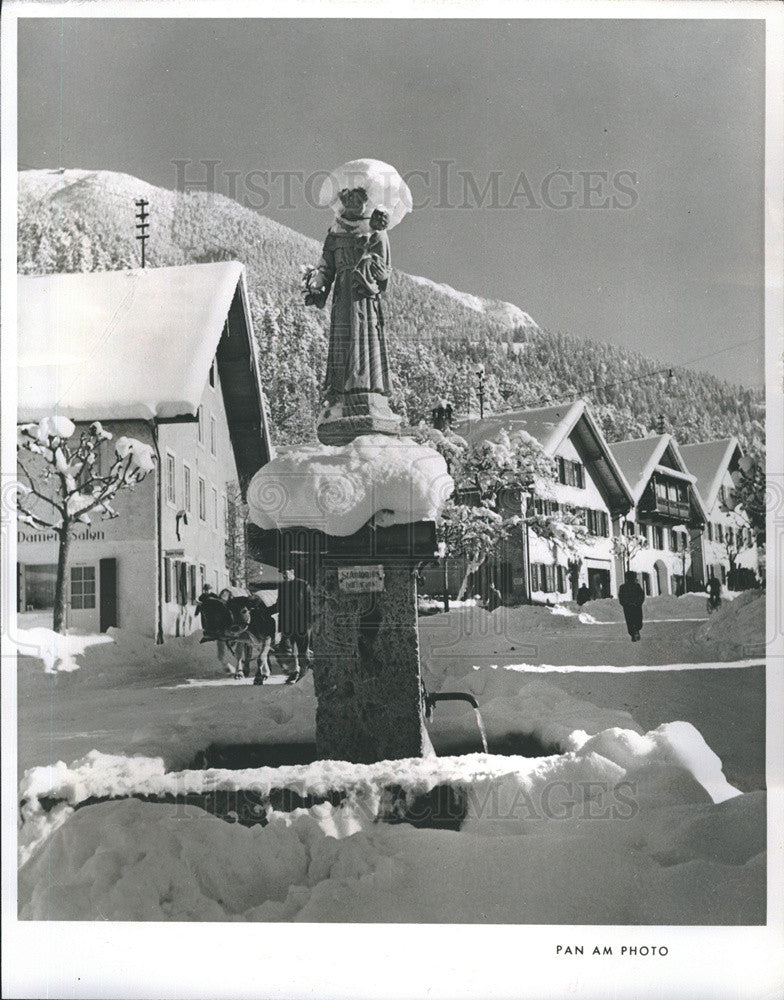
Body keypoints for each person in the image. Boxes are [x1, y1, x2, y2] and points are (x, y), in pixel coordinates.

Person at [276, 568, 313, 684]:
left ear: (292, 572)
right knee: (285, 649)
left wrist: (309, 622)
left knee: (302, 650)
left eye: (286, 574)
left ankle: (303, 674)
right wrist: (264, 609)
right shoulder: (282, 587)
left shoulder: (303, 585)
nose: (284, 577)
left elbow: (310, 603)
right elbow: (279, 604)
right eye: (283, 575)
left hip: (302, 623)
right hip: (287, 624)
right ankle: (293, 672)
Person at [618, 570, 645, 643]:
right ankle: (635, 632)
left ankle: (633, 633)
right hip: (635, 606)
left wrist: (625, 604)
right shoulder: (637, 586)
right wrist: (638, 603)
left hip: (628, 607)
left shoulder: (623, 587)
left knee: (630, 621)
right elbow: (642, 596)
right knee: (637, 620)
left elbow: (621, 597)